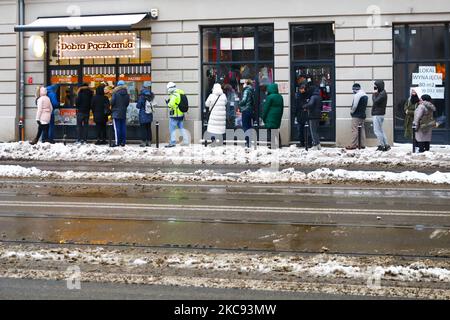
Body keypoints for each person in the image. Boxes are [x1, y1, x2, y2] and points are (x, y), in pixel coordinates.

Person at [166, 82, 189, 147]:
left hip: (175, 115)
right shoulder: (181, 93)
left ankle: (172, 142)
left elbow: (171, 105)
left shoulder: (174, 95)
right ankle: (186, 141)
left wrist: (168, 103)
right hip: (181, 114)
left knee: (172, 129)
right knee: (181, 128)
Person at [346, 83, 368, 150]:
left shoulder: (357, 95)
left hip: (356, 115)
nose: (353, 91)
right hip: (362, 115)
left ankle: (353, 145)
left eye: (353, 89)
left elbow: (355, 105)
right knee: (362, 129)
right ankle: (362, 144)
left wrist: (351, 111)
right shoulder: (365, 95)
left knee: (354, 130)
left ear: (355, 89)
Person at [262, 83, 284, 147]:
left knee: (269, 130)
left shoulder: (270, 97)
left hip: (270, 116)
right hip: (277, 116)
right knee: (275, 129)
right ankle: (279, 144)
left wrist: (263, 117)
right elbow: (282, 108)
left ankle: (270, 144)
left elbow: (266, 109)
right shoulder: (280, 97)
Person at [302, 84, 323, 150]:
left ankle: (315, 145)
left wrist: (305, 106)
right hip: (318, 115)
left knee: (313, 131)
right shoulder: (319, 97)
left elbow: (310, 104)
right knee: (316, 130)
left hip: (312, 115)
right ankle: (318, 144)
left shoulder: (313, 97)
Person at [372, 80, 390, 151]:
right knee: (381, 130)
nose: (375, 88)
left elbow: (375, 102)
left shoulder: (382, 94)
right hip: (379, 113)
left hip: (378, 114)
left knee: (377, 131)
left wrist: (374, 94)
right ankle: (386, 145)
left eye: (376, 86)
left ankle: (382, 145)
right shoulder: (382, 93)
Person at [111, 80, 130, 147]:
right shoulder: (127, 93)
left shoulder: (115, 93)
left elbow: (112, 102)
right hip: (123, 112)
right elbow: (127, 103)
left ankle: (117, 142)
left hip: (116, 112)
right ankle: (123, 142)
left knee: (117, 128)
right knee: (123, 127)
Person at [238, 79, 255, 147]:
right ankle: (249, 141)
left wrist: (239, 103)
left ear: (246, 84)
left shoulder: (246, 90)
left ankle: (247, 142)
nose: (243, 85)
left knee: (245, 127)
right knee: (249, 127)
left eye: (244, 83)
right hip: (250, 110)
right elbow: (253, 102)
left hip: (245, 110)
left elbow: (244, 100)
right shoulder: (251, 90)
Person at [294, 82, 311, 147]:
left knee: (308, 130)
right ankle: (302, 142)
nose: (301, 90)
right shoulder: (298, 95)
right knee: (300, 130)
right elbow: (296, 105)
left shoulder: (308, 95)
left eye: (302, 88)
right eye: (300, 88)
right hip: (300, 114)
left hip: (306, 114)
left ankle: (308, 143)